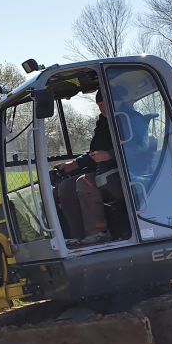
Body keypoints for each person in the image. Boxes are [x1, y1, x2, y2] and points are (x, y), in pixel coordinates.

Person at [54, 90, 118, 245]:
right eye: (100, 106)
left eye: (105, 106)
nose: (102, 110)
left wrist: (110, 155)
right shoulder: (103, 124)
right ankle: (77, 236)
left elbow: (140, 148)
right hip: (103, 169)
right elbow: (94, 152)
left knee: (85, 182)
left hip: (126, 170)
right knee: (65, 187)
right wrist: (75, 164)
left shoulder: (131, 119)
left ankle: (99, 233)